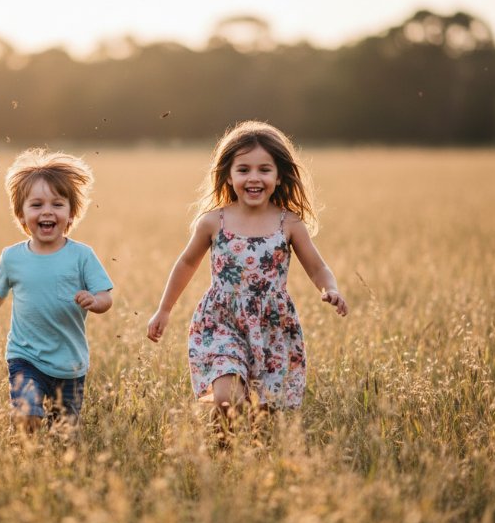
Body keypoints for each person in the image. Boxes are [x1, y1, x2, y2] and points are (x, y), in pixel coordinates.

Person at [146, 121, 347, 427]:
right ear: (228, 175)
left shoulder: (289, 223)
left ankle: (252, 459)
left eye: (264, 170)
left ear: (279, 176)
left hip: (272, 325)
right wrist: (164, 309)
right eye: (243, 170)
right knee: (228, 397)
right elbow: (186, 263)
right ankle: (225, 453)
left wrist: (329, 288)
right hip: (222, 319)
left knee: (264, 413)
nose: (254, 178)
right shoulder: (214, 221)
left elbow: (317, 266)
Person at [0, 149, 113, 433]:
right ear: (21, 214)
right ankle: (25, 457)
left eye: (57, 204)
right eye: (36, 205)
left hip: (70, 364)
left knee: (63, 434)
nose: (47, 212)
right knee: (27, 413)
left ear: (71, 213)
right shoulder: (12, 258)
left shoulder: (82, 256)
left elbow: (106, 297)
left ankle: (51, 468)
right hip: (25, 357)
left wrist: (95, 300)